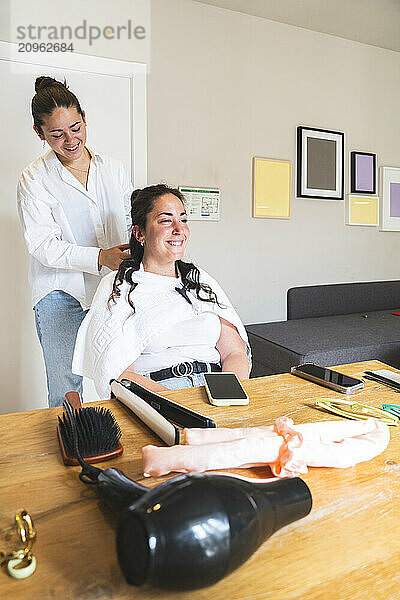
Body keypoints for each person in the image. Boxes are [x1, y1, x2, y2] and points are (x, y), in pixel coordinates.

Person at [17, 76, 133, 407]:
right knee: (66, 388)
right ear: (40, 134)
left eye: (76, 127)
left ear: (84, 117)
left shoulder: (113, 168)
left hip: (111, 289)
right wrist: (100, 257)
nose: (71, 140)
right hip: (60, 293)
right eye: (57, 134)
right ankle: (71, 450)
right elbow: (42, 245)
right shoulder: (33, 178)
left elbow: (128, 221)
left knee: (124, 376)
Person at [72, 184, 251, 399]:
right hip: (158, 395)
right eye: (166, 220)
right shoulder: (119, 287)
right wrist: (178, 403)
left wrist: (227, 396)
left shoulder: (200, 281)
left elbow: (235, 352)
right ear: (140, 233)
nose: (179, 229)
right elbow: (117, 371)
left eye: (183, 220)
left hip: (216, 390)